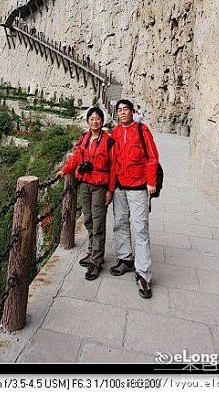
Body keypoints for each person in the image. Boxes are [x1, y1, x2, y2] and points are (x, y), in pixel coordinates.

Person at [56, 107, 115, 280]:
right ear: (88, 121)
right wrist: (64, 170)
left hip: (99, 186)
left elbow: (113, 169)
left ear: (102, 121)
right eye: (92, 118)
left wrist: (110, 190)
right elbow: (75, 158)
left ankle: (96, 262)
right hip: (85, 185)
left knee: (98, 223)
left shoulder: (108, 141)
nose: (95, 121)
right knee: (88, 219)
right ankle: (92, 251)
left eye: (98, 118)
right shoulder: (85, 138)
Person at [109, 99, 159, 298]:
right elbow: (112, 162)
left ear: (131, 111)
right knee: (120, 223)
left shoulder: (142, 130)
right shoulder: (114, 133)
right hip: (120, 187)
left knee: (140, 228)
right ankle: (125, 259)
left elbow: (153, 157)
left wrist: (151, 182)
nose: (122, 113)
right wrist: (110, 188)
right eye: (119, 110)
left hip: (138, 186)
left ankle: (143, 274)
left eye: (125, 109)